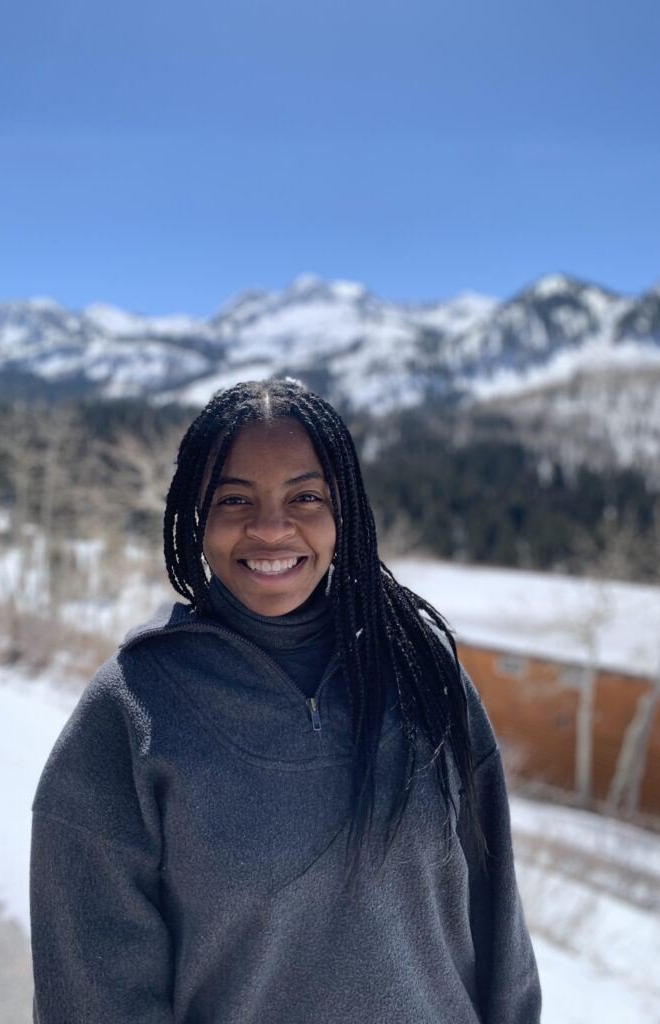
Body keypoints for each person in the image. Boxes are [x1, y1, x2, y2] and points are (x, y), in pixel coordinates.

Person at [30, 378, 541, 1024]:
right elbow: (93, 996)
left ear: (343, 513)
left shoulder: (423, 676)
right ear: (196, 514)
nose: (270, 528)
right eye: (234, 499)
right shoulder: (132, 711)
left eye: (305, 497)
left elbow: (499, 931)